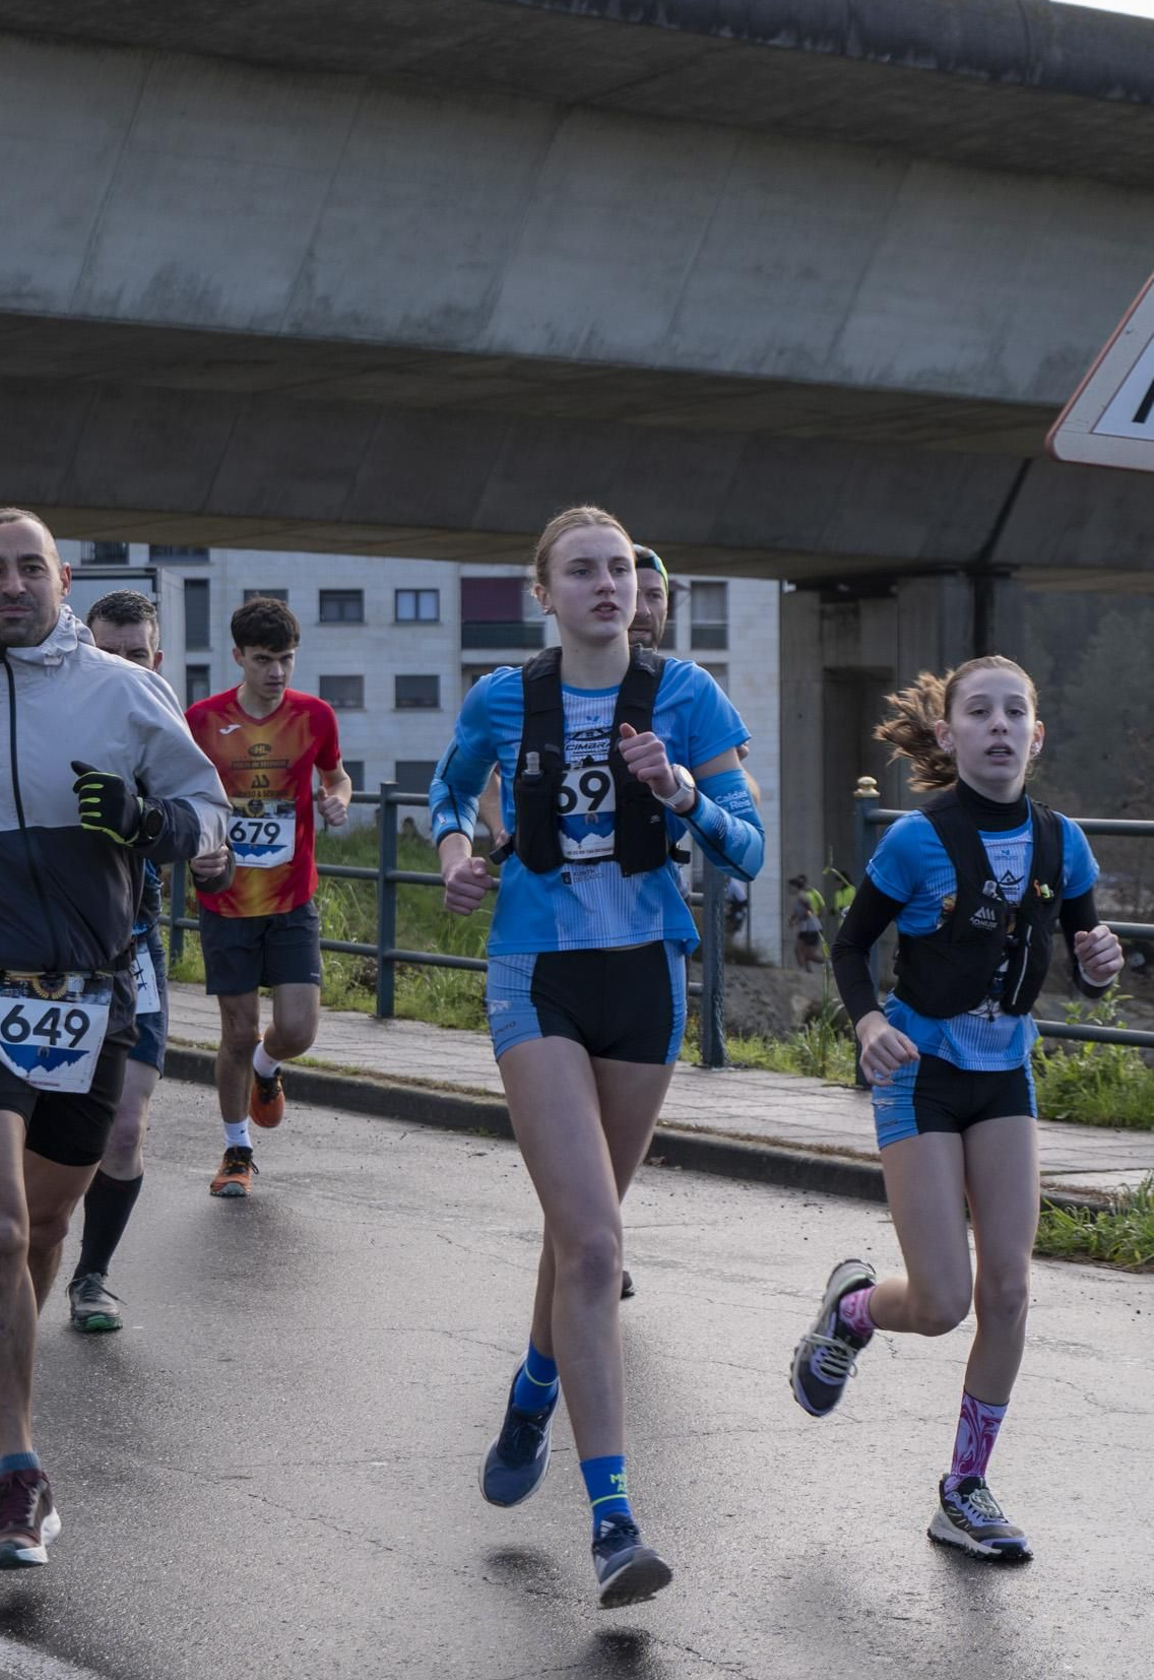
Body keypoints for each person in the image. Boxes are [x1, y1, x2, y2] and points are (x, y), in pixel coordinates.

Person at [0, 509, 230, 1572]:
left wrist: (145, 821)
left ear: (62, 579)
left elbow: (208, 824)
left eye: (31, 567)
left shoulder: (122, 691)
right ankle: (19, 1468)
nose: (12, 584)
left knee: (42, 1228)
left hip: (90, 994)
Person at [431, 505, 763, 1608]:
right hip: (538, 972)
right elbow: (446, 791)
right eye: (582, 570)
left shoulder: (686, 693)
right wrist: (453, 854)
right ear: (544, 592)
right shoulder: (503, 697)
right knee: (595, 1242)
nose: (606, 585)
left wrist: (677, 790)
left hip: (646, 976)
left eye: (619, 568)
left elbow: (749, 847)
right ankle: (614, 1520)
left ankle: (534, 1383)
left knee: (583, 1232)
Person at [790, 657, 1120, 1563]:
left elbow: (1088, 963)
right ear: (949, 735)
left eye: (1018, 711)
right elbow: (852, 943)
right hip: (921, 1069)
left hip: (1004, 1072)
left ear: (1037, 736)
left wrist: (1099, 966)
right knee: (940, 1302)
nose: (1001, 725)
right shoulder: (914, 839)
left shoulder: (1064, 843)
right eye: (981, 711)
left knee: (1008, 1289)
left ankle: (963, 1489)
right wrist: (865, 1026)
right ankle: (854, 1312)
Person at [185, 598, 352, 1199]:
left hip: (290, 899)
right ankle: (236, 1149)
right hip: (227, 898)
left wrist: (339, 799)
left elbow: (336, 776)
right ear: (238, 658)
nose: (277, 672)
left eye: (285, 659)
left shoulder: (315, 716)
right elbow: (187, 797)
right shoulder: (202, 720)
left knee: (298, 1029)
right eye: (263, 660)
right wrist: (197, 847)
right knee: (236, 1030)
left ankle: (267, 1068)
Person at [65, 589, 173, 1334]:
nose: (125, 666)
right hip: (51, 953)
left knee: (126, 1128)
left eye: (137, 654)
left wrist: (213, 851)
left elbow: (205, 825)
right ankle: (34, 1238)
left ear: (156, 658)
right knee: (57, 1131)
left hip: (134, 950)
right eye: (109, 653)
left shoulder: (167, 730)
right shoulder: (54, 722)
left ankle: (92, 1275)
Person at [788, 875, 825, 971]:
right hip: (805, 928)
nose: (788, 889)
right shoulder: (798, 897)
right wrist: (792, 920)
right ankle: (804, 973)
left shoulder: (802, 895)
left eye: (790, 887)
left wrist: (808, 914)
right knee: (798, 950)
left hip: (812, 927)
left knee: (810, 955)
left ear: (795, 886)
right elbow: (796, 912)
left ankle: (831, 964)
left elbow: (809, 906)